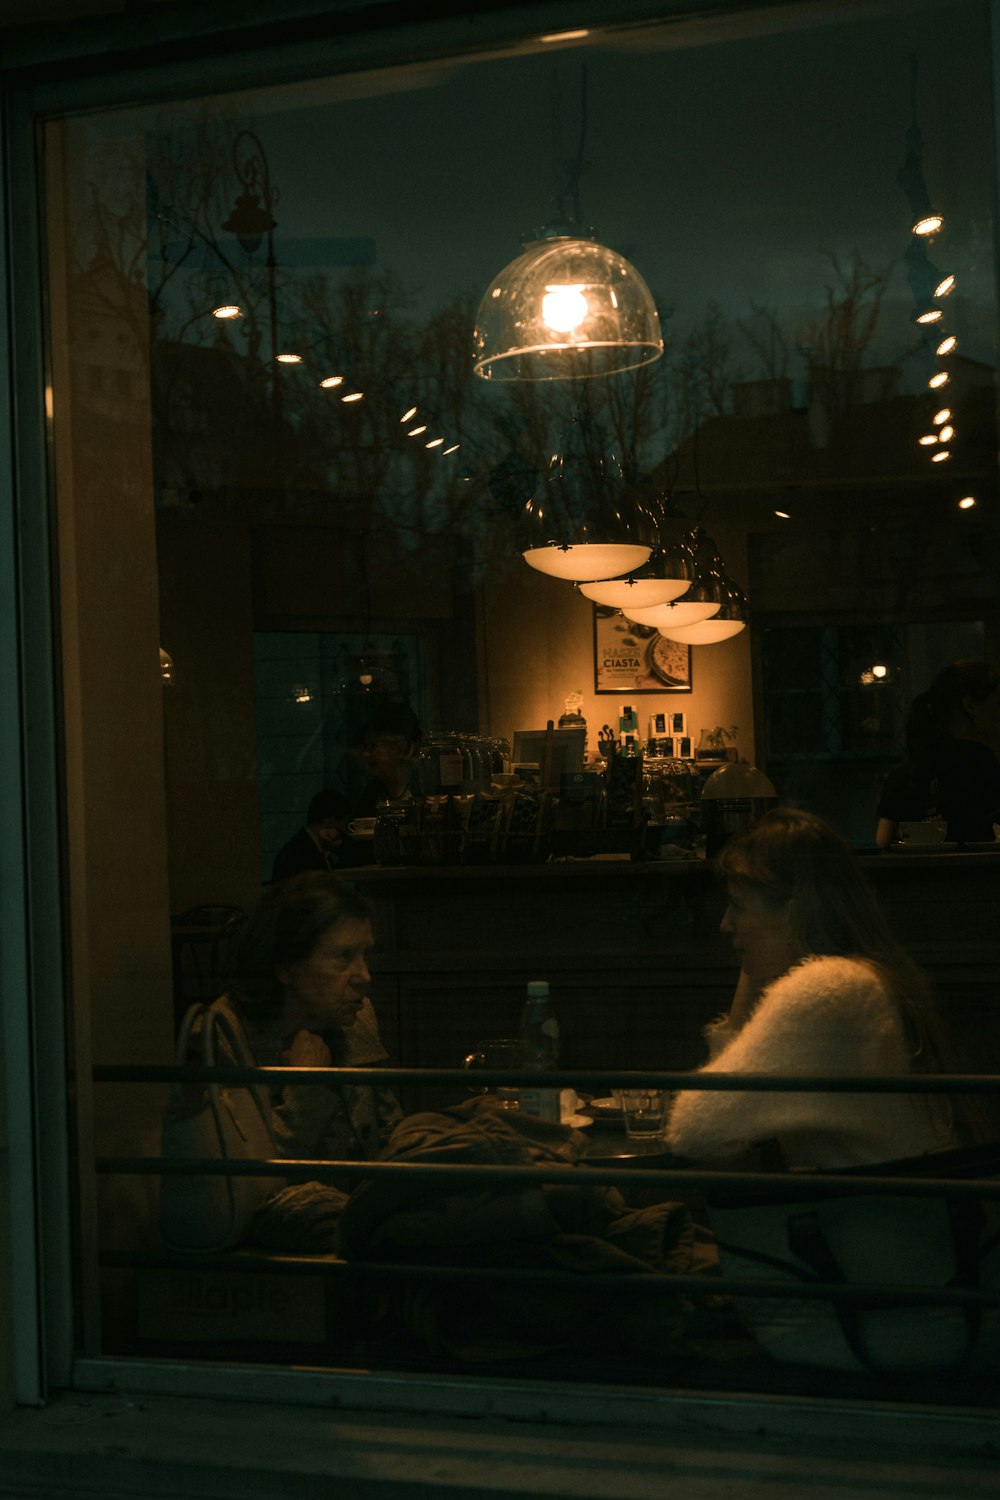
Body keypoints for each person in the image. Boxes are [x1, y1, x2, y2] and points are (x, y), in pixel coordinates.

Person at [666, 806, 958, 1169]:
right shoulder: (862, 978)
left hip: (864, 1220)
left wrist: (751, 972)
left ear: (794, 911)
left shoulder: (827, 988)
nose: (726, 924)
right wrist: (753, 966)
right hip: (891, 1213)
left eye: (738, 906)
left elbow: (695, 1131)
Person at [176, 872, 402, 1251]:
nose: (365, 976)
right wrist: (306, 1086)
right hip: (274, 1246)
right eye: (343, 957)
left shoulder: (356, 1017)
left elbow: (387, 1130)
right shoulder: (224, 1033)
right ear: (286, 967)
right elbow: (247, 1187)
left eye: (365, 955)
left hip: (363, 1221)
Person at [875, 659, 1000, 848]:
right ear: (970, 706)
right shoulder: (986, 769)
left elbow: (883, 842)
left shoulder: (909, 774)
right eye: (998, 704)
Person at [352, 702, 421, 817]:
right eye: (364, 747)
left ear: (400, 749)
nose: (365, 754)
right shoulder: (371, 793)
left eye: (373, 746)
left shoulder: (424, 790)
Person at [271, 789, 352, 883]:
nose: (343, 832)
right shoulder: (302, 853)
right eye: (343, 824)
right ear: (331, 821)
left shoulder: (303, 847)